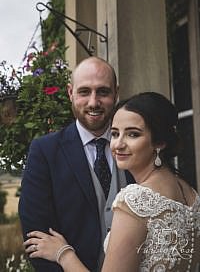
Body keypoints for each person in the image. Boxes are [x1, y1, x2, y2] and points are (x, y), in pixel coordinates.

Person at [23, 92, 200, 271]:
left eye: (133, 134)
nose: (117, 144)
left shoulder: (135, 201)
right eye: (115, 134)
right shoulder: (190, 193)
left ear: (159, 142)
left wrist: (63, 254)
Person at [18, 56, 134, 272]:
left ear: (116, 93)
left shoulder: (137, 147)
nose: (93, 102)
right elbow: (36, 239)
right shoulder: (45, 152)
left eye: (103, 91)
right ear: (70, 92)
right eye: (84, 92)